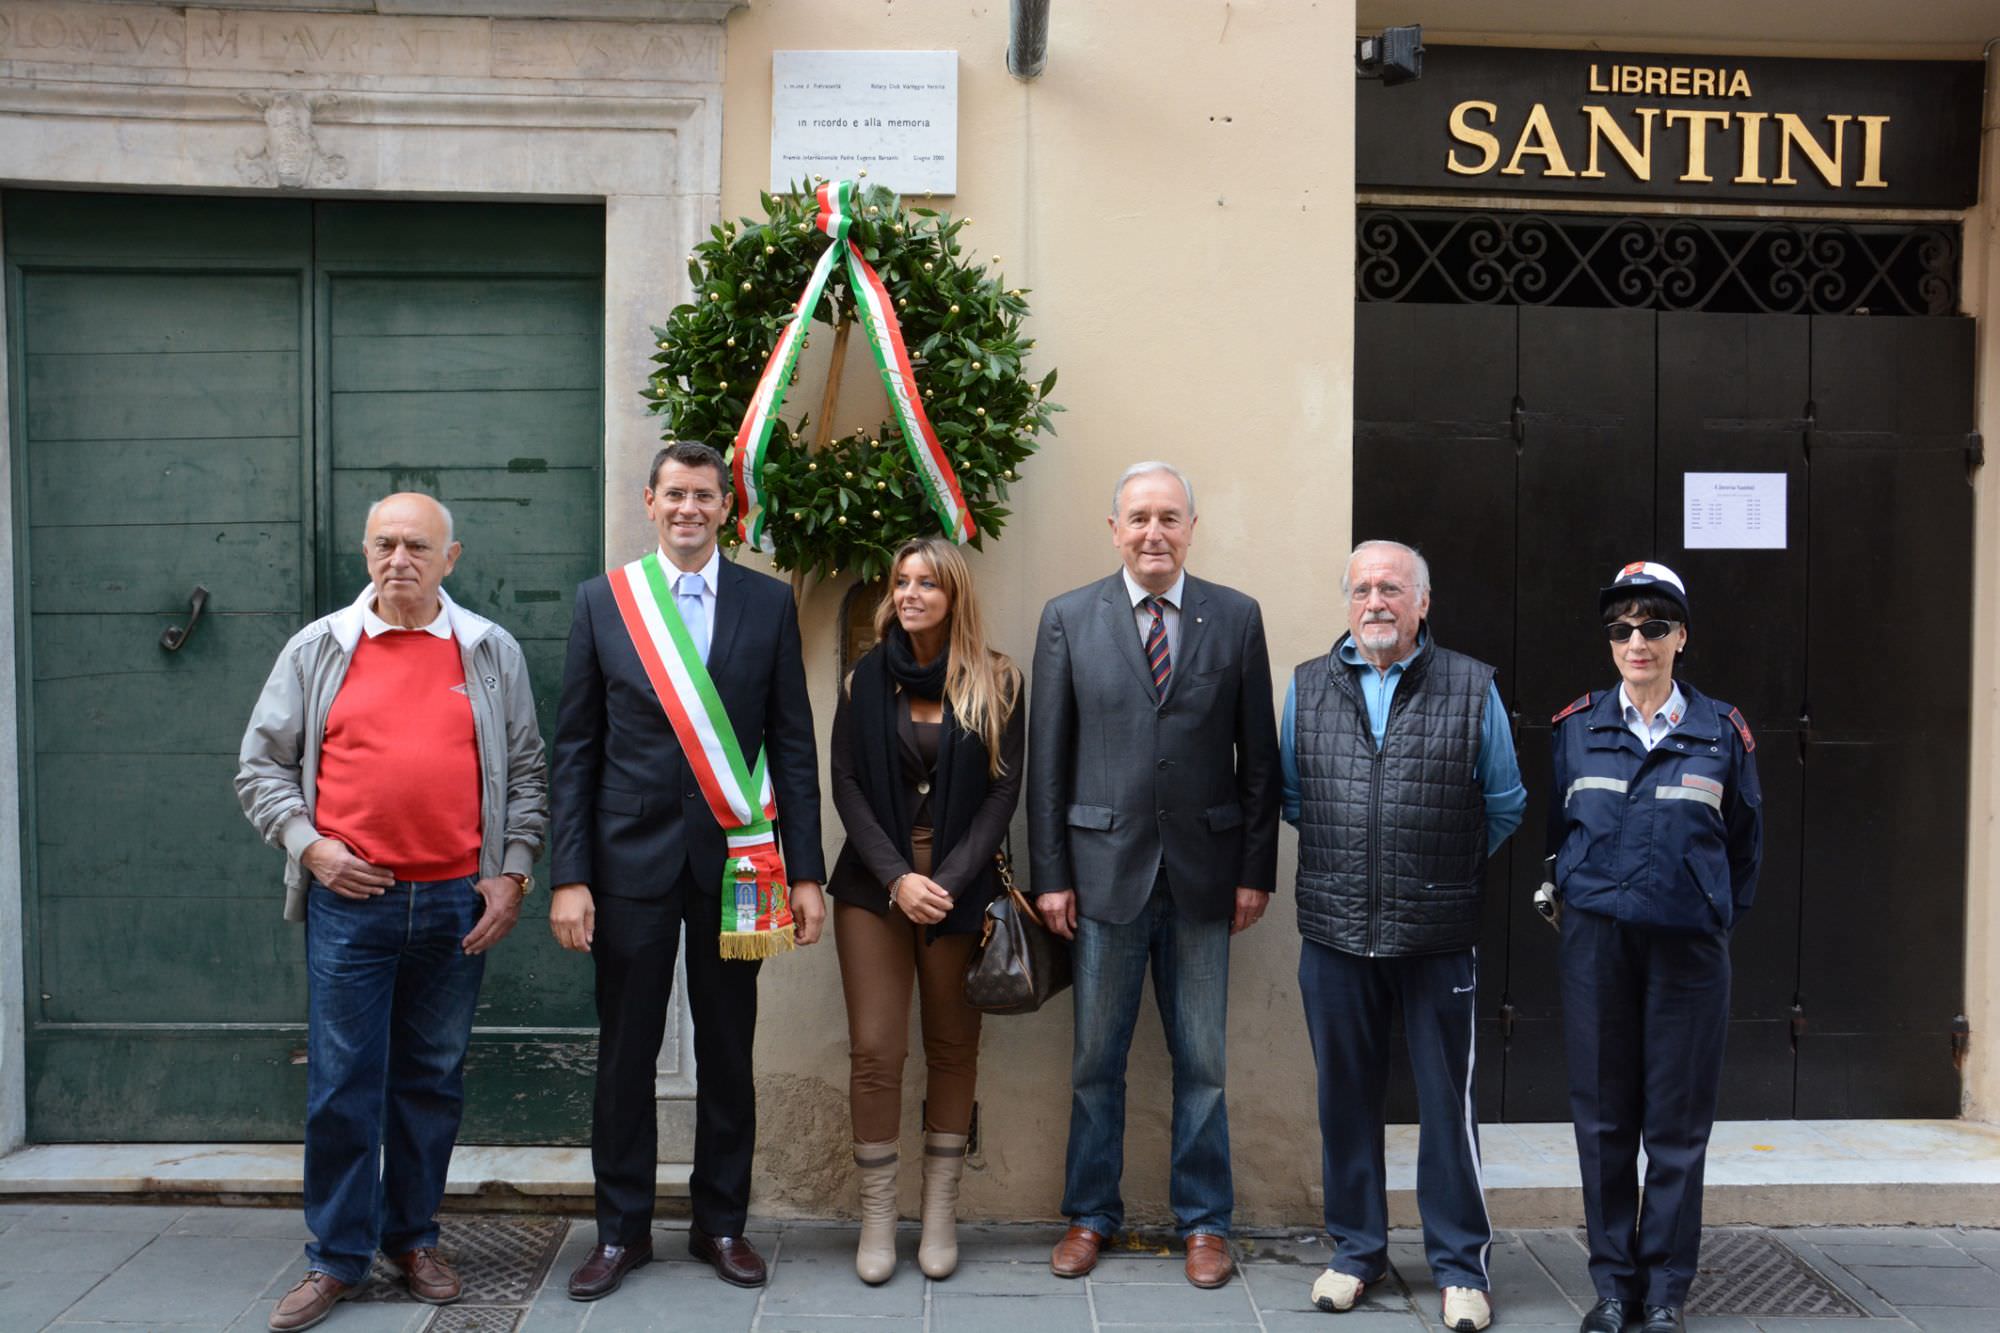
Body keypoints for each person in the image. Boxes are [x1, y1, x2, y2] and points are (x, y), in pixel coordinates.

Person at [236, 493, 548, 1333]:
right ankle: (336, 1256)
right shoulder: (319, 650)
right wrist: (311, 846)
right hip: (352, 902)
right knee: (342, 1084)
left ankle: (413, 1238)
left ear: (452, 557)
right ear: (364, 551)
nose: (398, 558)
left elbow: (525, 770)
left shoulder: (487, 649)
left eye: (417, 545)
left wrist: (512, 875)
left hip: (455, 901)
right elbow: (260, 767)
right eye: (384, 543)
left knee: (430, 1081)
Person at [549, 441, 825, 1301]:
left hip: (737, 865)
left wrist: (807, 871)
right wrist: (569, 875)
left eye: (704, 496)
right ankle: (621, 1231)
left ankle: (722, 1223)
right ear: (650, 500)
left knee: (728, 1051)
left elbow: (792, 743)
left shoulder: (767, 603)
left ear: (723, 506)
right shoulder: (606, 603)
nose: (689, 509)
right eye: (675, 495)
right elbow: (575, 751)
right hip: (627, 865)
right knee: (626, 1055)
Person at [1028, 461, 1280, 1290]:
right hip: (1101, 878)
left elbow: (1259, 762)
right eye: (1138, 518)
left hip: (1207, 878)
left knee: (1202, 1061)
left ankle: (1205, 1222)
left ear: (1191, 527)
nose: (1153, 533)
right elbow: (1049, 764)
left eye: (1169, 517)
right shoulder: (1069, 618)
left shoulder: (1235, 618)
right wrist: (1051, 876)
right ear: (1114, 529)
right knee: (1096, 1059)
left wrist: (1254, 870)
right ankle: (1089, 1212)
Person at [1280, 539, 1525, 1333]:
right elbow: (1293, 795)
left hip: (1437, 933)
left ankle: (1460, 1266)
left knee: (1446, 1105)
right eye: (1362, 588)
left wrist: (1435, 869)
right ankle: (1356, 1252)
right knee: (1345, 1100)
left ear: (1423, 601)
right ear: (1346, 601)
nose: (1376, 601)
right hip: (1336, 932)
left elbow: (1505, 800)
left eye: (1392, 587)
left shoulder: (1471, 684)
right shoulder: (1308, 686)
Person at [1548, 562, 1761, 1333]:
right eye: (1621, 628)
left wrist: (1706, 912)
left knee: (1675, 1123)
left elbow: (1745, 845)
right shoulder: (1576, 727)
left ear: (1681, 637)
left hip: (1687, 953)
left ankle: (1666, 1289)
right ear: (1611, 643)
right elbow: (1557, 834)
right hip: (1597, 945)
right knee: (1604, 1120)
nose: (1636, 641)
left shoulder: (1722, 731)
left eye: (1653, 626)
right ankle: (1614, 1288)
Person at [827, 537, 1026, 1283]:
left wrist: (946, 877)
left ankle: (938, 1211)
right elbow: (845, 782)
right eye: (901, 581)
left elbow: (1005, 789)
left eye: (927, 583)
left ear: (954, 596)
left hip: (958, 886)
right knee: (876, 1051)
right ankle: (879, 1216)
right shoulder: (863, 679)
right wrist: (896, 878)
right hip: (874, 887)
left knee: (952, 1046)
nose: (910, 593)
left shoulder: (997, 677)